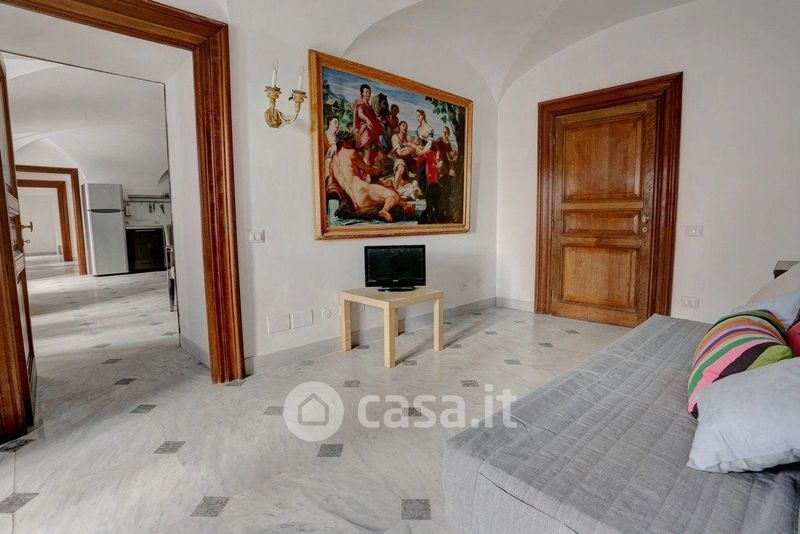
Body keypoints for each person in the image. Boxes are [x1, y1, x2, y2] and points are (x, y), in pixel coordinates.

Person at [330, 131, 414, 222]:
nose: (352, 145)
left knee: (389, 183)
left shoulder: (332, 162)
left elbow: (331, 184)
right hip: (362, 190)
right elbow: (369, 170)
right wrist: (378, 169)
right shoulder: (351, 153)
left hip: (355, 198)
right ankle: (384, 210)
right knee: (393, 196)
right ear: (344, 143)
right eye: (350, 142)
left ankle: (404, 204)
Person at [353, 84, 383, 151]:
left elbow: (374, 118)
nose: (368, 94)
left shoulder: (370, 106)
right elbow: (360, 113)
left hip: (373, 129)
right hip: (366, 129)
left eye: (369, 92)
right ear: (362, 93)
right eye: (366, 92)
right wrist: (367, 119)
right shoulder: (361, 103)